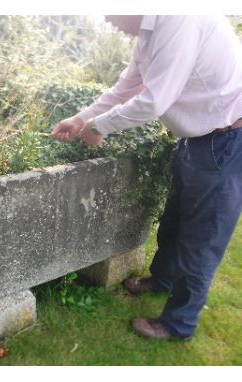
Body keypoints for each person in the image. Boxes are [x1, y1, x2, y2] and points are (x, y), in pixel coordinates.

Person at [51, 15, 242, 340]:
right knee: (174, 221)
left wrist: (100, 127)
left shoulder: (180, 19)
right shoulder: (149, 35)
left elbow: (155, 101)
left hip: (226, 140)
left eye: (110, 11)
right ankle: (162, 280)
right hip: (198, 139)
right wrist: (81, 119)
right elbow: (125, 90)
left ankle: (178, 324)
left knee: (201, 238)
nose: (107, 19)